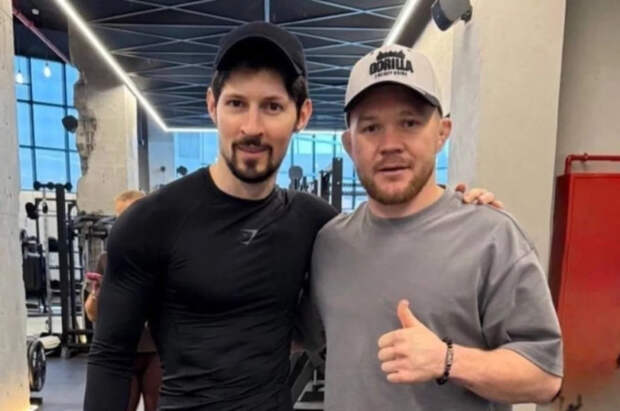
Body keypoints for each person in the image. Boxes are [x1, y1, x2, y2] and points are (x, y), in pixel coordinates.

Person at [84, 23, 499, 411]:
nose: (252, 127)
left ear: (301, 115)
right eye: (236, 104)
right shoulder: (150, 222)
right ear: (212, 106)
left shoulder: (316, 223)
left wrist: (456, 209)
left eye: (272, 106)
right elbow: (111, 358)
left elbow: (392, 236)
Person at [310, 44, 563, 411]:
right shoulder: (330, 244)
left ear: (442, 132)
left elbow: (545, 377)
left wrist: (449, 360)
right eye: (371, 127)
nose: (390, 144)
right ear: (350, 144)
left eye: (409, 123)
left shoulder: (491, 238)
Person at [84, 189, 161, 411]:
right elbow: (92, 314)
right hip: (121, 352)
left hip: (157, 350)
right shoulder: (106, 261)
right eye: (121, 218)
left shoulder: (164, 257)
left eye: (133, 216)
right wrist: (97, 293)